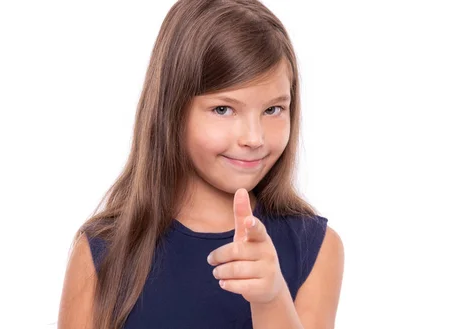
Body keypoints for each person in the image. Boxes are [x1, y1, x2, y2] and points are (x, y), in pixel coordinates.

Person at [58, 0, 344, 328]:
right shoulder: (103, 250)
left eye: (273, 110)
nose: (254, 138)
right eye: (223, 109)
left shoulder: (316, 248)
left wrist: (272, 298)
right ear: (171, 111)